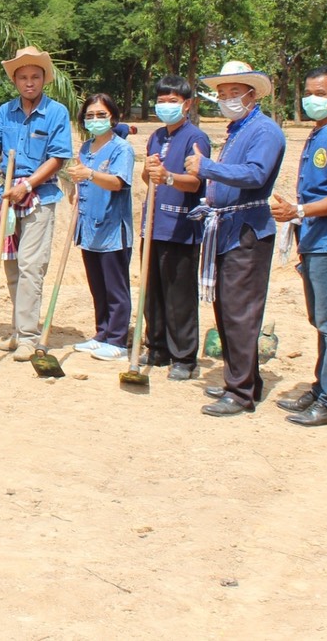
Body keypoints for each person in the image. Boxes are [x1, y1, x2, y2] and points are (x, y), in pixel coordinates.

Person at [186, 60, 287, 418]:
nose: (227, 98)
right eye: (222, 93)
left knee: (240, 311)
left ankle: (240, 391)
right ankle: (244, 379)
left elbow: (255, 174)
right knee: (227, 308)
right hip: (228, 227)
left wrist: (206, 167)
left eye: (234, 92)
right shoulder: (238, 131)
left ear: (252, 94)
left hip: (247, 230)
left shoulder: (265, 131)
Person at [269, 67, 327, 427]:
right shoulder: (319, 131)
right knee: (320, 320)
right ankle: (322, 387)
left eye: (320, 93)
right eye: (308, 92)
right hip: (313, 238)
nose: (312, 99)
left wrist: (300, 211)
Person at [0, 47, 73, 361]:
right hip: (8, 197)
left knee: (31, 267)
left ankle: (28, 337)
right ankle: (18, 331)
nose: (29, 82)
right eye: (23, 77)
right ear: (15, 80)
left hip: (39, 197)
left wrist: (28, 185)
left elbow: (58, 157)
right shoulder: (4, 112)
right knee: (10, 265)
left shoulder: (57, 112)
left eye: (35, 76)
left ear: (44, 79)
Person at [141, 75, 211, 381]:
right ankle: (157, 347)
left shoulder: (196, 138)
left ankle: (183, 356)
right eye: (161, 101)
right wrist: (149, 171)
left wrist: (168, 177)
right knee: (152, 291)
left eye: (173, 101)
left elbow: (196, 182)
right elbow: (148, 178)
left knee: (178, 294)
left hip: (181, 227)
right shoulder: (156, 136)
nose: (166, 106)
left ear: (187, 104)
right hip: (153, 225)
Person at [67, 93, 136, 361]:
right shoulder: (85, 148)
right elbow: (82, 180)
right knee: (97, 285)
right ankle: (102, 333)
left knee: (115, 287)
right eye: (90, 115)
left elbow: (118, 182)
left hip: (112, 229)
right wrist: (76, 188)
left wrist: (90, 174)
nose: (95, 119)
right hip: (89, 227)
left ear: (113, 117)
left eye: (101, 115)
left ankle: (118, 340)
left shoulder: (121, 149)